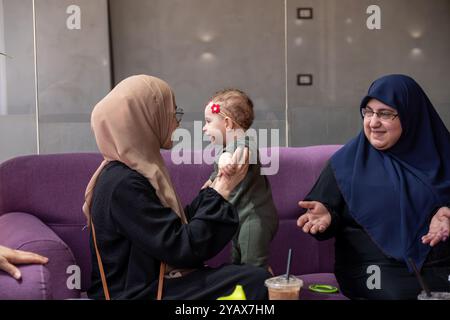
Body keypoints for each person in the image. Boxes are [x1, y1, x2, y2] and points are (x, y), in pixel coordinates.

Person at [82, 75, 270, 300]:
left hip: (154, 283)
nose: (177, 123)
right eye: (172, 114)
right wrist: (222, 190)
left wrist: (211, 194)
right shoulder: (124, 184)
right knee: (258, 282)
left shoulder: (128, 173)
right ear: (146, 119)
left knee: (254, 278)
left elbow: (168, 231)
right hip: (139, 294)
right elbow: (183, 249)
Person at [297, 74, 450, 300]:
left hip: (440, 266)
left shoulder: (443, 155)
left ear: (411, 116)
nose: (373, 122)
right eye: (368, 112)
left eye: (385, 113)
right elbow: (323, 213)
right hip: (374, 268)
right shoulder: (347, 162)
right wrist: (327, 218)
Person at [201, 89, 279, 268]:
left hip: (254, 217)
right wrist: (210, 182)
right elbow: (218, 170)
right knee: (237, 264)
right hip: (239, 218)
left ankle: (262, 290)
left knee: (252, 266)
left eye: (208, 121)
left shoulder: (244, 142)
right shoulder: (225, 148)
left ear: (227, 123)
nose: (204, 128)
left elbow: (240, 153)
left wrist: (227, 160)